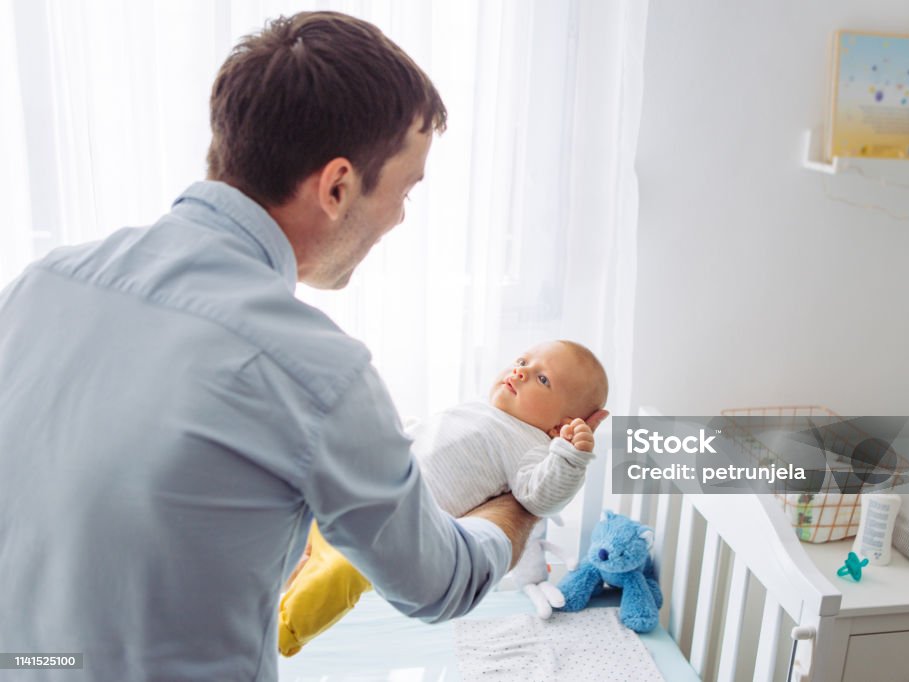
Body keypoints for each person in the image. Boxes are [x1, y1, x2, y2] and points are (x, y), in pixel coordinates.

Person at [0, 12, 603, 681]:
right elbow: (439, 585)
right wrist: (520, 504)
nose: (401, 217)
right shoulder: (315, 371)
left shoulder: (40, 285)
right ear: (338, 186)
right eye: (405, 190)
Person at [278, 340, 610, 655]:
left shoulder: (531, 446)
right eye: (523, 361)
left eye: (542, 379)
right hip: (360, 492)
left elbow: (542, 500)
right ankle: (270, 584)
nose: (520, 371)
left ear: (559, 426)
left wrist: (568, 455)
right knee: (294, 529)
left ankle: (284, 628)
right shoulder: (482, 408)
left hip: (391, 529)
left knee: (341, 572)